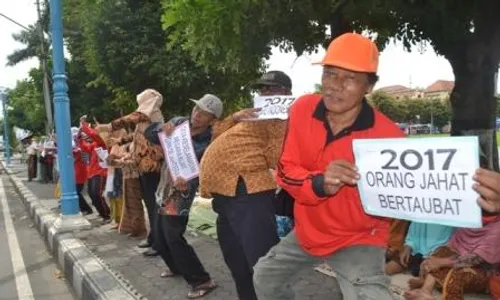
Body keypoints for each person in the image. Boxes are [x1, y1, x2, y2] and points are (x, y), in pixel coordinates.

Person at [253, 33, 405, 300]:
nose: (335, 85)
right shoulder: (302, 109)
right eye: (330, 74)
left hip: (359, 237)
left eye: (349, 78)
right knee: (265, 277)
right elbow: (287, 170)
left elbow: (400, 199)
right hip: (310, 231)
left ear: (368, 87)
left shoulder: (390, 136)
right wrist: (321, 183)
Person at [199, 71, 292, 300]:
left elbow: (276, 157)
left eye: (272, 89)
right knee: (238, 265)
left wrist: (280, 123)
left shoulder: (283, 119)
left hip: (248, 193)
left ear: (286, 94)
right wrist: (236, 117)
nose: (265, 93)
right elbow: (216, 133)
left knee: (263, 267)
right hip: (226, 196)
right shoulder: (252, 116)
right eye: (263, 89)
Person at [144, 94, 223, 299]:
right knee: (159, 238)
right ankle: (176, 267)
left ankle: (202, 280)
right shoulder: (179, 122)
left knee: (172, 236)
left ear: (212, 120)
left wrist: (188, 178)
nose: (197, 115)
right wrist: (162, 128)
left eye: (204, 114)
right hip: (163, 188)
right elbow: (149, 133)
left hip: (181, 192)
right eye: (197, 109)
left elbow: (204, 167)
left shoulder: (210, 141)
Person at [97, 89, 165, 256]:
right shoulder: (145, 118)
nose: (139, 104)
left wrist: (108, 126)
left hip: (152, 167)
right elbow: (136, 135)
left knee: (154, 206)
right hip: (142, 166)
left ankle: (159, 244)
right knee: (149, 205)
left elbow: (131, 118)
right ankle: (152, 237)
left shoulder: (151, 113)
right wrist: (120, 140)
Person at [404, 216, 500, 300]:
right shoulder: (471, 218)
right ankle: (425, 290)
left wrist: (442, 262)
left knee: (454, 277)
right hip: (460, 258)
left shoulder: (497, 227)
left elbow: (476, 259)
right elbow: (452, 245)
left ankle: (433, 283)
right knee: (433, 258)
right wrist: (436, 258)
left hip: (484, 270)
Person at [385, 222, 454, 276]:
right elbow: (414, 226)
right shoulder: (422, 207)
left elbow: (452, 242)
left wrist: (433, 258)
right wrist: (408, 246)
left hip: (440, 251)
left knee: (430, 273)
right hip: (415, 247)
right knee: (392, 266)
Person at [78, 121, 111, 222]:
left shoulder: (103, 141)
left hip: (100, 172)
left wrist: (83, 125)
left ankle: (106, 215)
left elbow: (94, 135)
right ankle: (103, 213)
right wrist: (79, 136)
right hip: (92, 172)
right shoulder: (95, 144)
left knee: (96, 194)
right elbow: (85, 147)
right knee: (92, 194)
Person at [71, 128, 93, 215]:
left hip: (81, 171)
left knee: (77, 192)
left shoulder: (81, 148)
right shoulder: (79, 147)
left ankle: (86, 209)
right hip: (79, 171)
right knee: (77, 192)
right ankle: (84, 208)